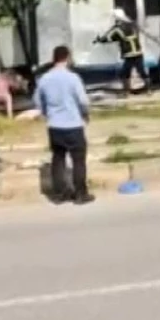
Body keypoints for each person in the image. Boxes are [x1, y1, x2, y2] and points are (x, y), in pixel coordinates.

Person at [35, 45, 94, 205]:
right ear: (67, 58)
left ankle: (59, 194)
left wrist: (47, 113)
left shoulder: (44, 79)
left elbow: (38, 101)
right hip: (73, 124)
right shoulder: (73, 78)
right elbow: (82, 101)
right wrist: (85, 114)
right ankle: (80, 193)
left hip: (54, 125)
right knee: (78, 160)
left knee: (58, 158)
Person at [95, 8, 149, 95]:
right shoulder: (131, 24)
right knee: (141, 71)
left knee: (125, 73)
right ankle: (148, 89)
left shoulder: (118, 28)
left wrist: (100, 40)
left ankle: (126, 91)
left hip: (129, 54)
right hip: (138, 52)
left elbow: (109, 37)